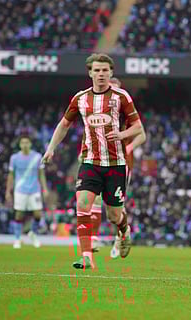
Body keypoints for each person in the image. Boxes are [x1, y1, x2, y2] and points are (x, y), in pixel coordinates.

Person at [42, 53, 143, 269]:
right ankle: (87, 256)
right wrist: (51, 148)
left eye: (105, 70)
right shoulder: (80, 99)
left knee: (114, 214)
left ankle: (124, 231)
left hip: (116, 164)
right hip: (90, 162)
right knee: (83, 204)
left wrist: (122, 135)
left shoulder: (121, 97)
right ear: (90, 73)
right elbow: (64, 125)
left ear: (111, 73)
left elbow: (138, 128)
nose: (101, 74)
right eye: (97, 70)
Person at [85, 76, 146, 258]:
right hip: (99, 160)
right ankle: (94, 239)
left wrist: (128, 146)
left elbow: (142, 134)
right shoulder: (99, 112)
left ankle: (120, 236)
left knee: (115, 205)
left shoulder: (125, 112)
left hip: (122, 161)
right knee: (95, 198)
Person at [5, 135, 48, 249]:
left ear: (30, 144)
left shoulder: (37, 157)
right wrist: (8, 191)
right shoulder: (14, 158)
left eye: (27, 142)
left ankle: (33, 233)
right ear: (20, 145)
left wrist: (45, 189)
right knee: (19, 214)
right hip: (20, 190)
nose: (25, 145)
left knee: (38, 214)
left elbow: (41, 174)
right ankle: (17, 239)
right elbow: (11, 175)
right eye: (22, 143)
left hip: (35, 189)